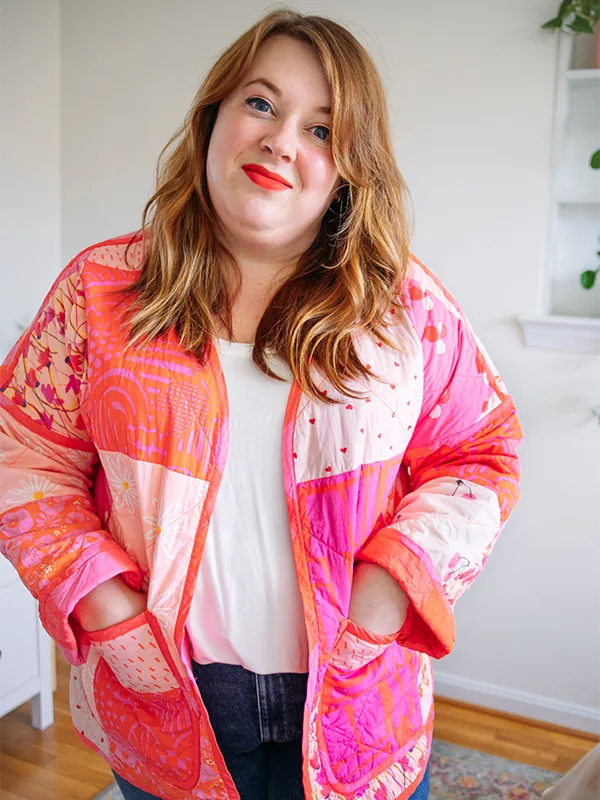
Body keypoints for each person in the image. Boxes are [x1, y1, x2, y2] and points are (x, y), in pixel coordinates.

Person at [0, 8, 523, 800]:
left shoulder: (405, 309)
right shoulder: (97, 294)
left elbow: (482, 452)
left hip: (357, 700)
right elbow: (22, 455)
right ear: (213, 115)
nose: (282, 140)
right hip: (168, 699)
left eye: (322, 129)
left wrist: (387, 594)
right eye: (261, 104)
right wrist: (104, 603)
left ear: (352, 167)